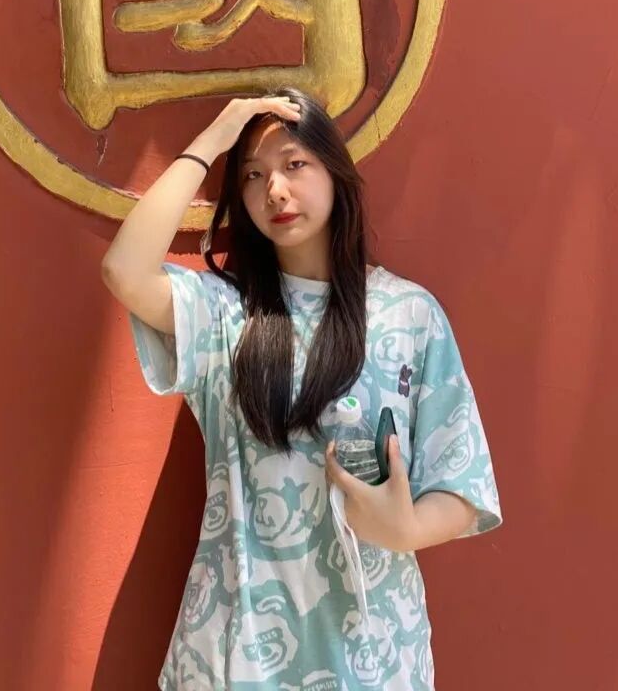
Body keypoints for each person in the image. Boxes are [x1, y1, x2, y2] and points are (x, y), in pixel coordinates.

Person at [100, 88, 502, 690]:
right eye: (253, 175)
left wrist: (407, 530)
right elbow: (124, 270)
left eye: (294, 165)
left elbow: (462, 481)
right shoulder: (226, 314)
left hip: (371, 654)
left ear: (335, 172)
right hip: (236, 656)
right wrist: (213, 141)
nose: (275, 190)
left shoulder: (408, 314)